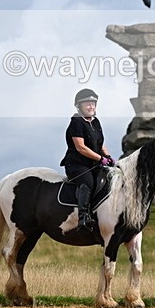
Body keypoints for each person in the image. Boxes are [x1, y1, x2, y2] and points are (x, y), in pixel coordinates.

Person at [59, 88, 113, 230]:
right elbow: (80, 147)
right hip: (76, 165)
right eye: (87, 104)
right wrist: (100, 158)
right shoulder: (76, 122)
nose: (91, 107)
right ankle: (83, 216)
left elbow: (100, 144)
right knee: (88, 181)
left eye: (93, 103)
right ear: (79, 106)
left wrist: (108, 157)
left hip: (93, 163)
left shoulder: (95, 122)